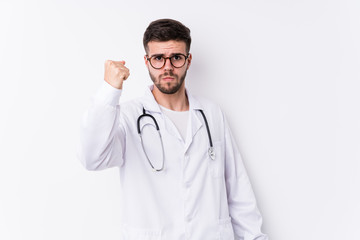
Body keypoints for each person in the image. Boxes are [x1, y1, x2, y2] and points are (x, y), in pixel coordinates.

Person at [78, 18, 268, 240]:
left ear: (188, 61)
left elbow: (237, 191)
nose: (167, 67)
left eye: (176, 57)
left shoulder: (211, 114)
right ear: (147, 62)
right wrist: (109, 90)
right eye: (158, 58)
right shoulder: (128, 117)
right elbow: (92, 158)